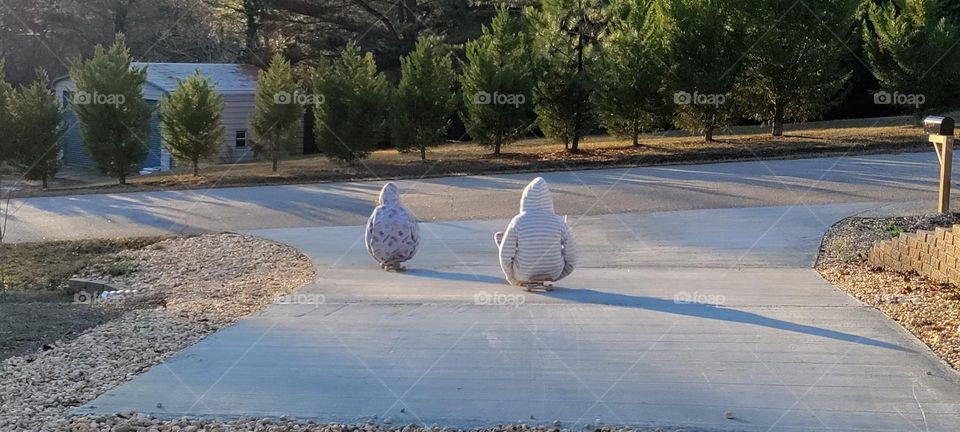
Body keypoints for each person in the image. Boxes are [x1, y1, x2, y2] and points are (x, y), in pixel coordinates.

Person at [497, 177, 577, 288]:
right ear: (549, 200)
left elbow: (505, 254)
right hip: (553, 272)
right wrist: (561, 274)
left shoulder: (518, 221)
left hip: (524, 273)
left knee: (506, 243)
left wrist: (512, 279)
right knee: (561, 247)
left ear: (524, 200)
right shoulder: (558, 221)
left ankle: (501, 240)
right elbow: (571, 252)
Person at [365, 182, 419, 271]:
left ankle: (385, 259)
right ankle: (397, 259)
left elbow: (368, 232)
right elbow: (415, 232)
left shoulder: (377, 211)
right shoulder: (404, 211)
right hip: (405, 251)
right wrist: (413, 248)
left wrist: (373, 252)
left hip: (380, 252)